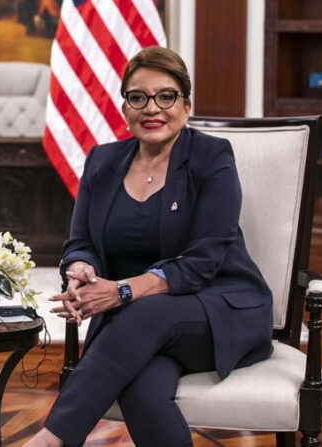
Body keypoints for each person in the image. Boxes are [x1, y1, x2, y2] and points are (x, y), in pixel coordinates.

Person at [24, 46, 274, 446]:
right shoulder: (102, 162)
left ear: (187, 106)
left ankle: (50, 440)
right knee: (142, 386)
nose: (151, 108)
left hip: (218, 310)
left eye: (166, 96)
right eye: (137, 97)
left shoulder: (212, 157)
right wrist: (80, 269)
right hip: (138, 328)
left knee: (144, 313)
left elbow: (203, 261)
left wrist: (122, 291)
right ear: (125, 108)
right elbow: (81, 242)